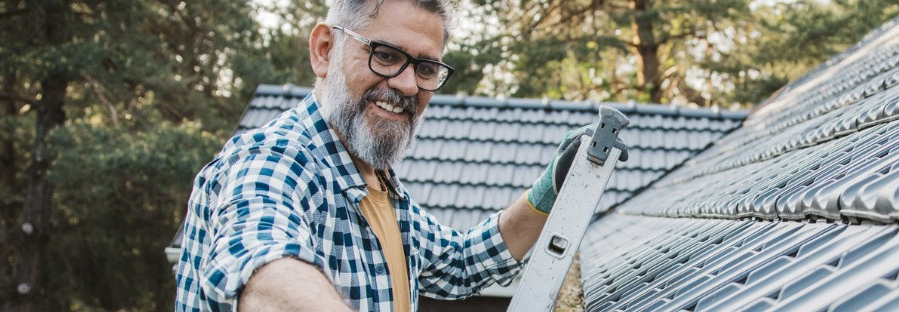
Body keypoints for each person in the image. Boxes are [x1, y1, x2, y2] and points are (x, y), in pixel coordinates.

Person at [172, 0, 619, 310]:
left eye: (425, 68)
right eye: (385, 55)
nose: (407, 86)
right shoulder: (275, 159)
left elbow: (459, 264)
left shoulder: (377, 183)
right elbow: (261, 268)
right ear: (325, 50)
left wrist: (551, 190)